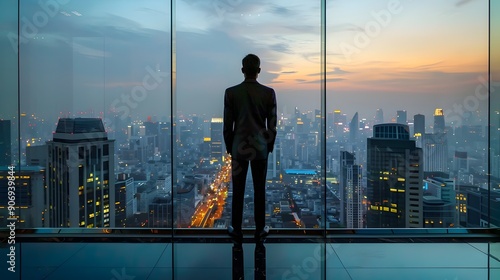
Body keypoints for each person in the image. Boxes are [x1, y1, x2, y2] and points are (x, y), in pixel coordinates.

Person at [223, 54, 277, 245]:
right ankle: (260, 230)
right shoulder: (268, 93)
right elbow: (272, 126)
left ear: (243, 70)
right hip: (260, 148)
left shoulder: (231, 93)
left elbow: (227, 126)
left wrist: (231, 147)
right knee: (259, 189)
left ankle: (236, 229)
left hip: (239, 148)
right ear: (259, 71)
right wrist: (268, 147)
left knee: (237, 190)